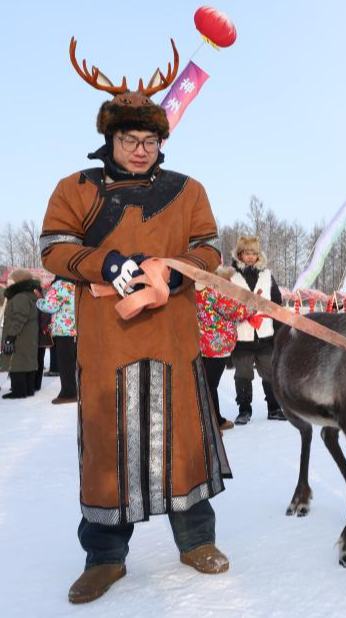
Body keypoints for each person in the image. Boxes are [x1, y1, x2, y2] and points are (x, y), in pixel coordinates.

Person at [40, 59, 231, 603]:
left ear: (161, 141)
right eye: (130, 138)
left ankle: (196, 542)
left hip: (172, 336)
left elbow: (209, 249)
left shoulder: (187, 190)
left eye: (149, 139)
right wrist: (107, 266)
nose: (141, 149)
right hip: (106, 344)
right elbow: (55, 249)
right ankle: (104, 558)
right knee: (107, 446)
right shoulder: (75, 189)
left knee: (184, 438)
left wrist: (176, 269)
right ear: (111, 138)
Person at [230, 236, 286, 424]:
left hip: (264, 335)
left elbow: (277, 301)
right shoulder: (232, 276)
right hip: (242, 335)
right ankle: (244, 410)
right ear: (240, 254)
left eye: (254, 253)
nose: (251, 257)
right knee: (243, 374)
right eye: (247, 253)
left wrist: (278, 330)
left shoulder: (267, 275)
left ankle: (274, 408)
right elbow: (226, 303)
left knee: (270, 372)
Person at [197, 266, 250, 431]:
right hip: (218, 345)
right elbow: (235, 311)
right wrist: (253, 305)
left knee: (205, 383)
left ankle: (206, 420)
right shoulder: (214, 291)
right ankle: (215, 422)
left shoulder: (195, 290)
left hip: (202, 343)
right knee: (210, 385)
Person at [36, 276, 78, 404]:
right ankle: (74, 390)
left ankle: (68, 393)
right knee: (72, 362)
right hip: (76, 328)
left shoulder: (60, 285)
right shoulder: (77, 284)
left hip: (63, 329)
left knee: (65, 363)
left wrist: (38, 300)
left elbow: (50, 306)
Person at [1, 270, 41, 399]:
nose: (8, 283)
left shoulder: (20, 297)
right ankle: (28, 389)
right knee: (27, 361)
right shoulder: (27, 295)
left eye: (11, 281)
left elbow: (19, 317)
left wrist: (11, 335)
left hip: (20, 336)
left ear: (19, 281)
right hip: (27, 335)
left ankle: (19, 391)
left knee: (17, 361)